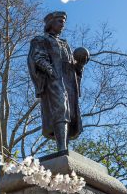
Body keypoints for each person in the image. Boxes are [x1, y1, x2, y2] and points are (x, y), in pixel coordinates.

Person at [27, 11, 89, 152]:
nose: (62, 25)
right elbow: (37, 58)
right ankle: (62, 148)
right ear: (51, 23)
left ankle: (65, 147)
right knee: (61, 109)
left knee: (70, 113)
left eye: (64, 22)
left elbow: (72, 65)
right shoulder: (41, 40)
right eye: (60, 21)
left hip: (68, 82)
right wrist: (50, 71)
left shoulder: (64, 44)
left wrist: (80, 63)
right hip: (53, 80)